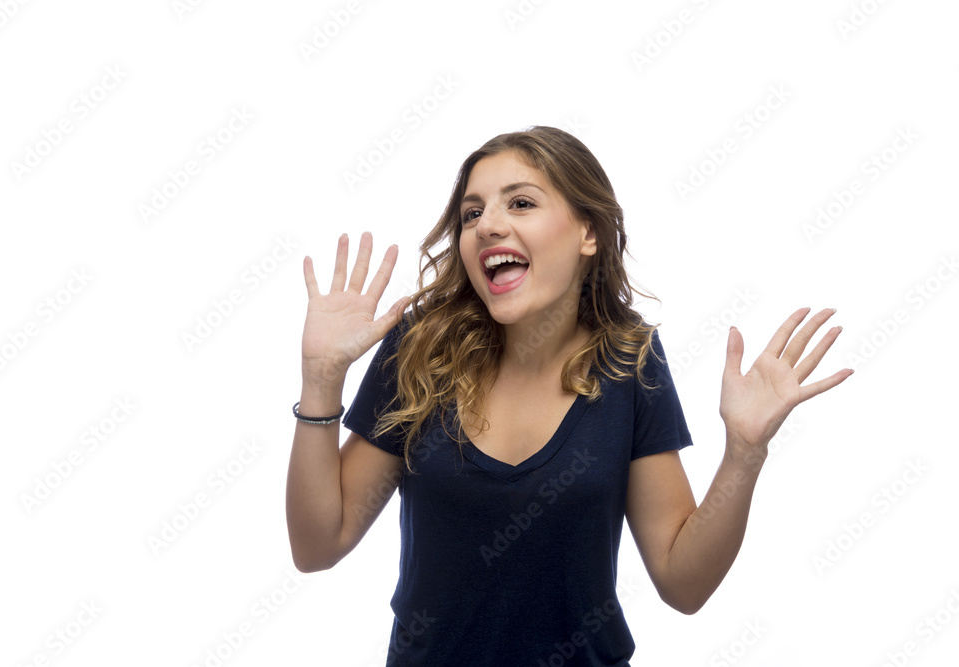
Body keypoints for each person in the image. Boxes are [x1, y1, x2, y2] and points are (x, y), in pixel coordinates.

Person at [286, 126, 852, 666]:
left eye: (521, 203)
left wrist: (744, 454)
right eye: (472, 213)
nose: (487, 226)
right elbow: (317, 547)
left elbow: (683, 584)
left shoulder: (629, 363)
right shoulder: (420, 350)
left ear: (588, 234)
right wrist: (321, 379)